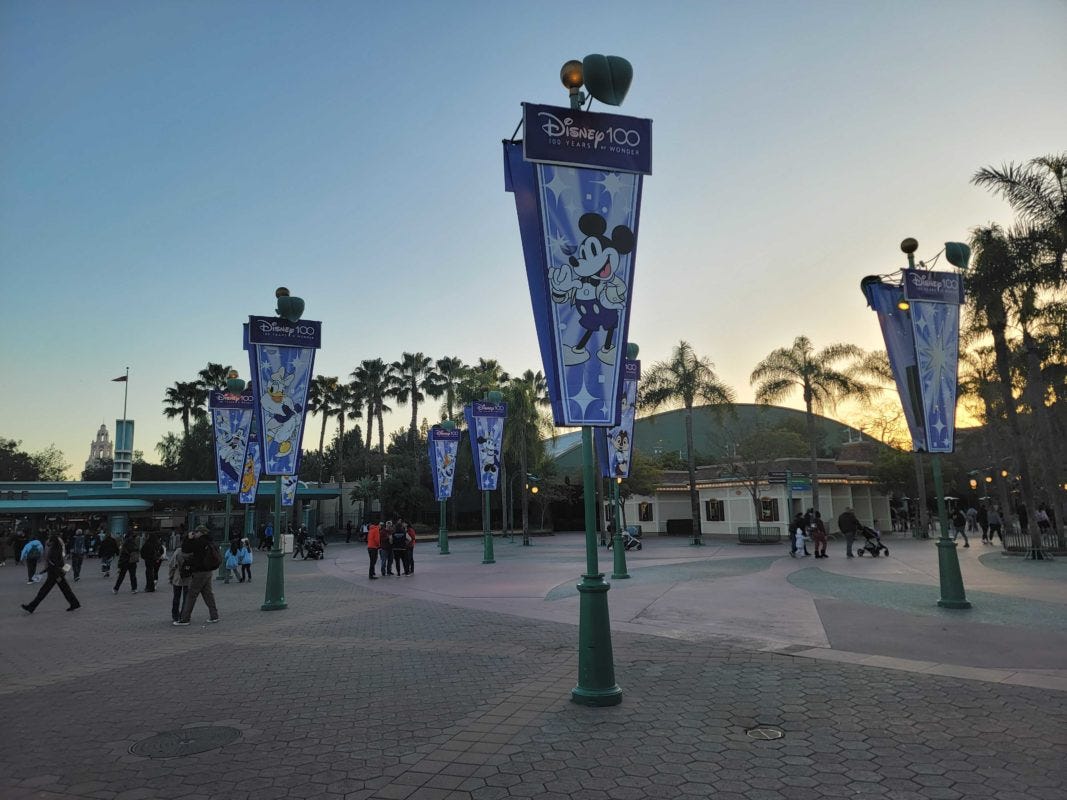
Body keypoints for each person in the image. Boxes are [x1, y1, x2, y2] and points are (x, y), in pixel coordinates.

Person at [21, 533, 80, 613]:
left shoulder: (54, 550)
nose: (48, 542)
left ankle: (31, 607)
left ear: (53, 541)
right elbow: (55, 563)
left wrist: (47, 571)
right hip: (57, 574)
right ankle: (74, 603)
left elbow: (54, 563)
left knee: (44, 591)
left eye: (49, 540)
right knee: (65, 590)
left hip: (54, 574)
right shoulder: (56, 549)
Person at [174, 525, 220, 626]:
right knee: (208, 594)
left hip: (199, 571)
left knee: (191, 595)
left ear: (201, 533)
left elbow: (185, 549)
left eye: (196, 532)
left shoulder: (199, 542)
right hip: (208, 571)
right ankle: (214, 615)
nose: (195, 534)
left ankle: (185, 618)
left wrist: (188, 538)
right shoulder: (210, 542)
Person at [168, 544, 192, 623]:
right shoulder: (192, 552)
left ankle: (175, 615)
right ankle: (184, 614)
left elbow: (172, 565)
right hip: (188, 577)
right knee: (186, 598)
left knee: (176, 597)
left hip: (178, 577)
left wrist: (170, 576)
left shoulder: (178, 552)